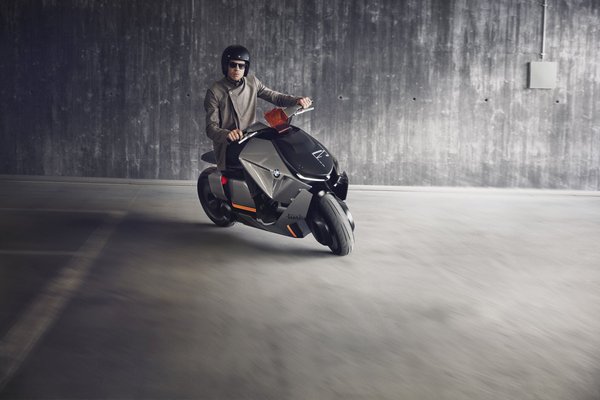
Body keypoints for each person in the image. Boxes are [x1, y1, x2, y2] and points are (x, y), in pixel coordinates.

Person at [204, 44, 312, 223]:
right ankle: (262, 205)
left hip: (252, 134)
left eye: (241, 66)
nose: (237, 69)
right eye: (232, 65)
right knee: (250, 157)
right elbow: (211, 127)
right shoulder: (215, 91)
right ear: (225, 66)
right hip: (230, 143)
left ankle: (290, 188)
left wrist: (297, 100)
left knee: (280, 145)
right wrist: (227, 134)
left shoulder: (252, 82)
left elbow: (274, 96)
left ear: (246, 68)